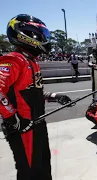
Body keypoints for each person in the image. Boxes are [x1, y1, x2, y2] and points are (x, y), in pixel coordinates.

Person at [0, 14, 73, 180]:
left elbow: (33, 92)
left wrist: (55, 96)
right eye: (41, 36)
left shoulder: (32, 61)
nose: (45, 40)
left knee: (43, 167)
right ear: (26, 35)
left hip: (38, 124)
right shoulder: (13, 60)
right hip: (23, 128)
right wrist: (14, 119)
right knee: (29, 172)